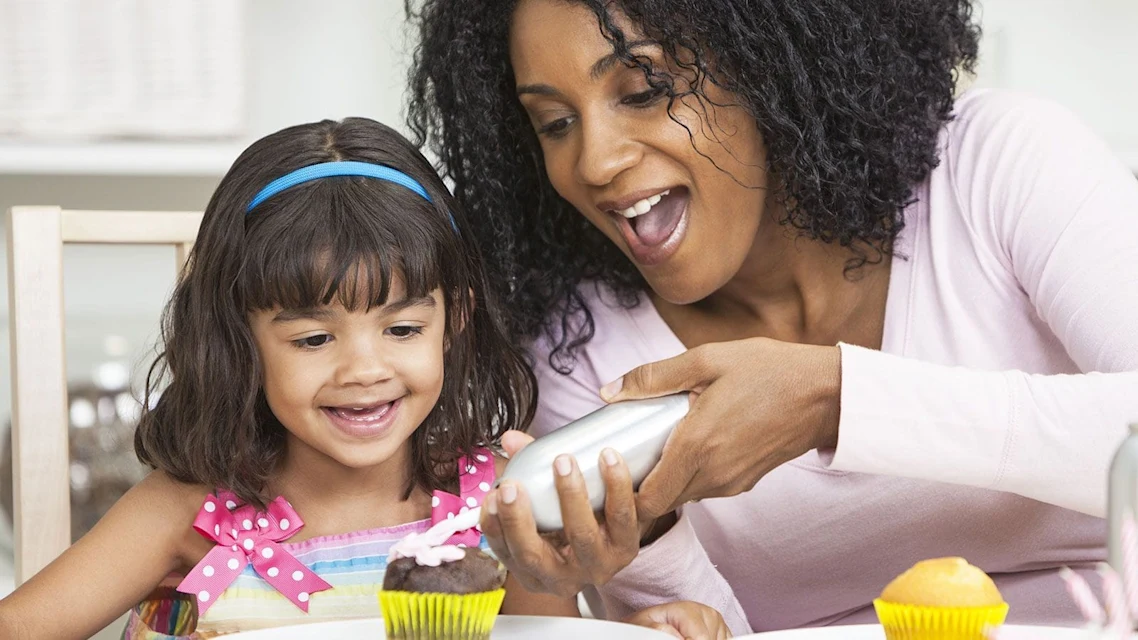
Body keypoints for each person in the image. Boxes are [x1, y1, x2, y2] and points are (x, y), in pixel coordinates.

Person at [407, 0, 1138, 633]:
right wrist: (650, 542)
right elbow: (716, 631)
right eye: (556, 122)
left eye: (643, 89)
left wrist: (835, 399)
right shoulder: (582, 351)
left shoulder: (998, 167)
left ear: (770, 65)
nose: (595, 162)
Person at [0, 118, 728, 639]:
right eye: (313, 338)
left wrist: (645, 630)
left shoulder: (496, 506)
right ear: (240, 338)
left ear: (454, 319)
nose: (365, 370)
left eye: (403, 329)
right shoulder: (189, 512)